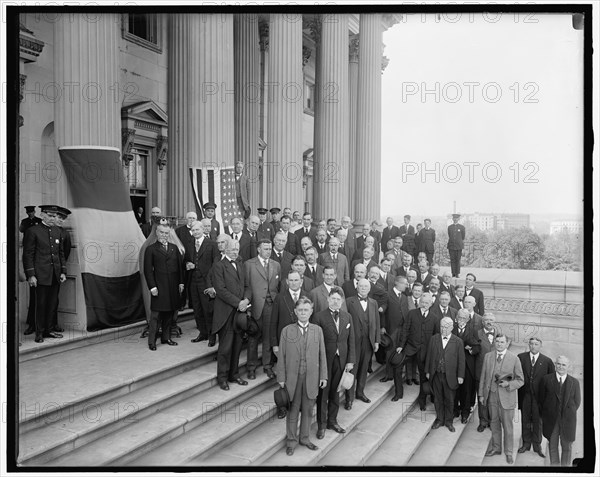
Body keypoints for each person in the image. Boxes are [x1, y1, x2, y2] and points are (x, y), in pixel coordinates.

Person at [276, 297, 327, 456]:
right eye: (300, 310)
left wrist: (323, 376)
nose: (303, 313)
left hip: (311, 377)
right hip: (292, 378)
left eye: (306, 310)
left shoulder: (317, 330)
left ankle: (304, 438)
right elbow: (282, 357)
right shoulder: (287, 330)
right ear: (295, 312)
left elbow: (322, 355)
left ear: (311, 311)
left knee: (308, 410)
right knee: (292, 410)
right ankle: (291, 441)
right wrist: (281, 378)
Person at [311, 287, 355, 439]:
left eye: (338, 299)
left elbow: (351, 340)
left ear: (342, 301)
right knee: (323, 394)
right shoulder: (318, 317)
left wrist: (350, 361)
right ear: (328, 299)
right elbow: (315, 342)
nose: (336, 301)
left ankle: (332, 421)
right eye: (333, 298)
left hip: (341, 360)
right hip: (325, 360)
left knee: (336, 392)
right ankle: (321, 425)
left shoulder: (347, 316)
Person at [22, 205, 67, 343]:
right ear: (43, 215)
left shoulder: (57, 231)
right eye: (51, 216)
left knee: (52, 304)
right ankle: (39, 333)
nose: (54, 218)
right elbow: (28, 255)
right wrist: (31, 275)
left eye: (55, 216)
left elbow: (61, 253)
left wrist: (63, 271)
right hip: (40, 275)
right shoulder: (33, 231)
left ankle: (48, 330)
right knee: (40, 305)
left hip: (55, 275)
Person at [479, 334, 524, 464]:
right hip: (491, 395)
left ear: (507, 343)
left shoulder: (514, 358)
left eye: (502, 342)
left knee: (508, 427)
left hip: (507, 397)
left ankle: (509, 452)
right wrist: (482, 394)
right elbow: (483, 376)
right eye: (497, 341)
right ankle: (496, 448)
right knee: (494, 423)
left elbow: (521, 380)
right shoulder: (488, 356)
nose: (499, 344)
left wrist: (508, 384)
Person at [212, 239, 250, 390]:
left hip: (239, 314)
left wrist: (246, 300)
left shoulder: (240, 265)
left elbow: (247, 286)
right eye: (232, 249)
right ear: (225, 249)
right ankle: (222, 378)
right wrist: (238, 303)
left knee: (237, 346)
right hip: (226, 314)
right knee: (225, 348)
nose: (235, 252)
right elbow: (220, 290)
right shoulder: (218, 266)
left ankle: (234, 374)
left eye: (237, 249)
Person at [244, 239, 281, 380]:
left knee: (268, 338)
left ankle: (267, 366)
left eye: (270, 248)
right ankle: (251, 368)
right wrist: (248, 306)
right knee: (253, 338)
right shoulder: (249, 264)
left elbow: (278, 286)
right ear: (259, 249)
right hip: (256, 306)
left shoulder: (276, 265)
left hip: (271, 306)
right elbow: (246, 286)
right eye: (265, 248)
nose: (269, 251)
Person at [144, 224, 185, 350]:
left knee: (169, 314)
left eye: (166, 233)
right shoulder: (151, 249)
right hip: (159, 287)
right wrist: (152, 287)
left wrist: (181, 282)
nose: (164, 235)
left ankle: (166, 338)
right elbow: (148, 270)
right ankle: (152, 341)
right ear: (157, 233)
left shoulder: (174, 248)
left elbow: (180, 267)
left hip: (172, 287)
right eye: (162, 232)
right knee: (156, 316)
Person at [538, 355, 581, 467]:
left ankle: (565, 468)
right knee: (552, 446)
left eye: (563, 364)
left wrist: (567, 413)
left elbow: (577, 402)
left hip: (568, 421)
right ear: (555, 364)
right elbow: (541, 400)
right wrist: (547, 414)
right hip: (551, 420)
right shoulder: (546, 379)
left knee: (567, 447)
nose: (561, 367)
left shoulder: (574, 382)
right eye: (558, 364)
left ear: (568, 367)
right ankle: (555, 468)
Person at [425, 317, 465, 432]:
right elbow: (429, 356)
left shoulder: (458, 341)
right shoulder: (434, 339)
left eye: (446, 327)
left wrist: (460, 376)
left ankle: (449, 421)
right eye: (442, 326)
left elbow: (461, 360)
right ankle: (439, 419)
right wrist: (428, 371)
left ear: (452, 327)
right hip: (436, 374)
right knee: (438, 398)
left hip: (451, 376)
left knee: (450, 399)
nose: (443, 329)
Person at [345, 279, 380, 407]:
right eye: (361, 286)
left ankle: (360, 392)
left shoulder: (373, 303)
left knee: (364, 368)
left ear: (369, 289)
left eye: (366, 286)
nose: (363, 288)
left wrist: (376, 340)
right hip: (354, 342)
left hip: (368, 341)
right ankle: (349, 398)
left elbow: (376, 322)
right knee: (352, 369)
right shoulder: (349, 301)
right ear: (357, 287)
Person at [517, 337, 555, 457]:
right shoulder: (521, 357)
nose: (533, 346)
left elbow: (551, 381)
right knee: (525, 418)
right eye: (531, 344)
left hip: (540, 397)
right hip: (525, 394)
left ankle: (537, 445)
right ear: (529, 345)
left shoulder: (547, 361)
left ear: (540, 346)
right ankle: (526, 443)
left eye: (536, 344)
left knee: (538, 421)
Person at [399, 292, 436, 410]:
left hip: (425, 352)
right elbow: (405, 330)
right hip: (410, 347)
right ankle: (398, 393)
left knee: (424, 376)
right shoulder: (412, 313)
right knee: (398, 366)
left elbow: (435, 337)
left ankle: (422, 400)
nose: (424, 304)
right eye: (422, 302)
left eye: (427, 303)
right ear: (419, 303)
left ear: (431, 304)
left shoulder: (434, 318)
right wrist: (401, 345)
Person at [186, 220, 219, 345]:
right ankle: (203, 333)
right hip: (193, 281)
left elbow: (215, 265)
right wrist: (187, 264)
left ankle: (211, 335)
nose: (195, 232)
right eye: (193, 230)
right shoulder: (189, 243)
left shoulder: (211, 244)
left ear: (203, 230)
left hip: (206, 282)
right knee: (197, 309)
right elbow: (186, 260)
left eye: (197, 230)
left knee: (208, 310)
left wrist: (211, 284)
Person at [452, 309, 481, 423]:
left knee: (467, 389)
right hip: (454, 364)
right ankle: (454, 410)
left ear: (468, 319)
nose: (461, 320)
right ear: (456, 318)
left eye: (464, 318)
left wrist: (471, 350)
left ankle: (465, 412)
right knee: (454, 388)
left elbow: (478, 347)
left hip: (468, 365)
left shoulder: (473, 330)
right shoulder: (451, 329)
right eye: (460, 317)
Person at [475, 313, 500, 432]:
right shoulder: (477, 333)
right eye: (487, 320)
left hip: (495, 373)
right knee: (482, 396)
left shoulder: (500, 336)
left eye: (491, 320)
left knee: (493, 398)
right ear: (483, 322)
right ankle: (483, 421)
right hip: (481, 371)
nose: (489, 322)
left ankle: (492, 421)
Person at [49, 206, 72, 333]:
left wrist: (61, 269)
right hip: (42, 271)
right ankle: (33, 324)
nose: (60, 220)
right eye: (58, 217)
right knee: (38, 300)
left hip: (56, 271)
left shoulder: (64, 233)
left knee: (54, 299)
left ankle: (53, 324)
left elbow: (66, 252)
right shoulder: (44, 229)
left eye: (63, 218)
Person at [447, 213, 465, 278]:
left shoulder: (462, 227)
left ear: (458, 219)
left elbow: (463, 237)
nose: (455, 219)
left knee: (458, 259)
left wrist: (458, 242)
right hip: (451, 245)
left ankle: (457, 273)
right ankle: (453, 273)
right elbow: (450, 236)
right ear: (452, 219)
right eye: (454, 218)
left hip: (459, 246)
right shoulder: (450, 227)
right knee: (452, 260)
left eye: (456, 218)